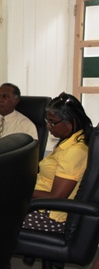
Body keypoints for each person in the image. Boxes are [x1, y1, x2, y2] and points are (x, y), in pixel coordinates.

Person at [23, 92, 93, 233]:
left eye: (53, 122)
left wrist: (21, 191)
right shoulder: (68, 143)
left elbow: (57, 196)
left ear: (71, 121)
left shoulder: (75, 151)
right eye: (47, 121)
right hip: (39, 206)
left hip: (50, 216)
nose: (48, 126)